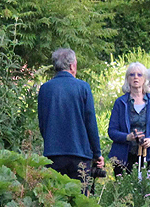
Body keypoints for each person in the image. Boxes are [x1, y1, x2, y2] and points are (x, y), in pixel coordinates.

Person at [37, 47, 104, 192]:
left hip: (53, 154)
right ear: (72, 65)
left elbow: (42, 124)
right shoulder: (83, 87)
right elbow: (90, 123)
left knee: (54, 199)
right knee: (81, 203)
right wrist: (97, 153)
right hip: (79, 154)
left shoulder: (45, 89)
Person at [106, 62, 150, 175]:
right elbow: (112, 131)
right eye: (132, 74)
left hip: (148, 155)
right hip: (124, 157)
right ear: (127, 79)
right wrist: (128, 137)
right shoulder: (120, 102)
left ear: (145, 79)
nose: (136, 77)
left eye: (139, 75)